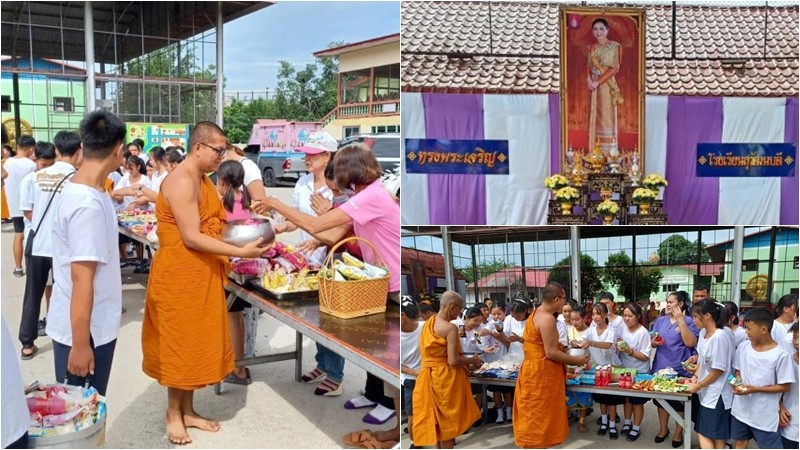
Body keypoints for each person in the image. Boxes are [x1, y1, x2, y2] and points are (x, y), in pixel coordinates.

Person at [141, 121, 267, 445]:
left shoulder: (202, 179)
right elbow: (192, 237)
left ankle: (189, 410)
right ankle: (173, 413)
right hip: (179, 275)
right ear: (198, 147)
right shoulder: (182, 181)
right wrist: (240, 249)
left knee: (195, 344)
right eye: (218, 150)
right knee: (179, 346)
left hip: (201, 273)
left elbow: (213, 224)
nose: (222, 156)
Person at [261, 143, 400, 404]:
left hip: (393, 282)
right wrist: (291, 231)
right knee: (376, 342)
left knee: (390, 349)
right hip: (379, 281)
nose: (335, 178)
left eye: (338, 171)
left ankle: (390, 408)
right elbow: (330, 235)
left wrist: (275, 204)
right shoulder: (363, 196)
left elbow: (315, 224)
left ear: (350, 171)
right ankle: (375, 396)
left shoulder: (370, 197)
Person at [47, 111, 126, 396]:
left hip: (94, 325)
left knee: (87, 414)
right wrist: (81, 344)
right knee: (80, 418)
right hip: (85, 333)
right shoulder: (86, 205)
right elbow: (82, 279)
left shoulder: (96, 193)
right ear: (119, 150)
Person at [19, 133, 82, 359]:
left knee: (32, 295)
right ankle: (65, 337)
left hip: (38, 246)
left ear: (56, 150)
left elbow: (27, 211)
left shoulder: (36, 176)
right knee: (66, 292)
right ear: (79, 151)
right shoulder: (76, 178)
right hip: (63, 247)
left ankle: (27, 343)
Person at [514, 282, 589, 448]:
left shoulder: (536, 313)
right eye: (563, 299)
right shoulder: (547, 319)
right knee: (540, 416)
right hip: (540, 374)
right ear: (556, 299)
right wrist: (577, 360)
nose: (564, 303)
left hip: (534, 371)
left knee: (536, 414)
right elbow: (551, 353)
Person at [412, 291, 482, 449]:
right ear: (452, 307)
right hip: (444, 379)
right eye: (460, 309)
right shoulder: (449, 328)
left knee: (436, 424)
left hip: (428, 375)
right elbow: (453, 360)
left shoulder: (429, 323)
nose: (459, 314)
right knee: (447, 426)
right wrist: (473, 360)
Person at [214, 160, 255, 385]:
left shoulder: (222, 203)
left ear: (222, 180)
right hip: (246, 266)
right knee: (236, 317)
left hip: (229, 268)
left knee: (230, 317)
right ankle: (240, 365)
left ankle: (237, 369)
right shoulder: (245, 200)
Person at [730, 307, 793, 449]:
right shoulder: (743, 347)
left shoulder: (780, 355)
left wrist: (755, 389)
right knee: (740, 443)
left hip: (764, 414)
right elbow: (736, 372)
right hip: (741, 410)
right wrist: (735, 383)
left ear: (764, 329)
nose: (746, 332)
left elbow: (785, 386)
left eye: (749, 328)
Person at [271, 131, 337, 265]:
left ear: (326, 156)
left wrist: (317, 241)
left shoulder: (339, 186)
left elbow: (342, 229)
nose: (306, 158)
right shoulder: (302, 182)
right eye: (305, 154)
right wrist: (281, 228)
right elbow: (296, 219)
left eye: (311, 154)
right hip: (305, 257)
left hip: (331, 259)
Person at [650, 291, 699, 445]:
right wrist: (654, 342)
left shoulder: (691, 321)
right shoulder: (661, 320)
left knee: (679, 403)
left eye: (671, 302)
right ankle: (663, 428)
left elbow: (690, 343)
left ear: (681, 304)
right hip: (661, 367)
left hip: (680, 369)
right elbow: (652, 340)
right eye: (667, 302)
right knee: (661, 402)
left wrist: (680, 321)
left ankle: (679, 433)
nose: (668, 304)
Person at [684, 300, 734, 449]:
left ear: (707, 316)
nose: (693, 321)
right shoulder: (704, 332)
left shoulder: (720, 336)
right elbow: (702, 359)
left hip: (717, 394)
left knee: (703, 432)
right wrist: (694, 377)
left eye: (695, 316)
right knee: (718, 436)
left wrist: (698, 385)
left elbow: (718, 370)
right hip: (707, 391)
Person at [581, 302, 622, 438]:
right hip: (597, 368)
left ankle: (612, 425)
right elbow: (583, 341)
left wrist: (591, 342)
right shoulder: (590, 330)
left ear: (605, 314)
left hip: (611, 367)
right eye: (593, 314)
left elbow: (608, 345)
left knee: (611, 399)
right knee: (601, 398)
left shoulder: (611, 330)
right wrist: (575, 343)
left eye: (598, 314)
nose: (595, 317)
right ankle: (604, 422)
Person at [615, 302, 652, 442]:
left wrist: (629, 351)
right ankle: (627, 422)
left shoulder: (643, 333)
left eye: (630, 316)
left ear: (637, 316)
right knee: (626, 399)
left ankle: (636, 427)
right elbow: (617, 343)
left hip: (640, 372)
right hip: (625, 371)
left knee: (637, 401)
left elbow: (645, 356)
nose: (626, 318)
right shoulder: (622, 329)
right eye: (624, 315)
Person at [587, 17, 623, 154]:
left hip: (607, 86)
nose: (598, 32)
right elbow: (589, 66)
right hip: (593, 86)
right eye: (595, 29)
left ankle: (609, 153)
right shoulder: (592, 48)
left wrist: (598, 82)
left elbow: (614, 69)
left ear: (607, 30)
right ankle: (594, 151)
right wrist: (588, 80)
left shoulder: (614, 46)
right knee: (593, 115)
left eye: (601, 28)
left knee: (606, 116)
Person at [2, 135, 36, 277]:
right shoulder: (31, 165)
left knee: (18, 235)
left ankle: (18, 267)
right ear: (30, 148)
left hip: (14, 206)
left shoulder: (6, 163)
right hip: (28, 206)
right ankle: (31, 266)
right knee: (30, 236)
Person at [481, 302, 513, 424]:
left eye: (499, 313)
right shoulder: (490, 324)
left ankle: (509, 412)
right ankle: (499, 413)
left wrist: (499, 333)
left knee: (507, 390)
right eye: (493, 314)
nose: (496, 316)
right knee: (495, 390)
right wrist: (486, 331)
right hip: (492, 362)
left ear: (505, 313)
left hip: (505, 362)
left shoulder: (507, 325)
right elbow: (483, 331)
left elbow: (507, 342)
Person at [400, 300, 422, 447]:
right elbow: (398, 364)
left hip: (430, 377)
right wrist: (416, 373)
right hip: (411, 381)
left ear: (403, 315)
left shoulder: (425, 327)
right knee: (413, 416)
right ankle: (416, 443)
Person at [779, 323, 798, 449]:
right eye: (795, 337)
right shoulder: (786, 361)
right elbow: (779, 388)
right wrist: (780, 407)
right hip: (790, 423)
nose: (796, 342)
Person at [1, 143, 16, 223]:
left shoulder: (12, 161)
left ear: (9, 152)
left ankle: (7, 215)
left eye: (4, 149)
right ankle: (3, 216)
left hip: (9, 182)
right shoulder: (2, 162)